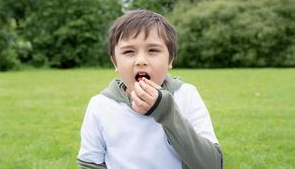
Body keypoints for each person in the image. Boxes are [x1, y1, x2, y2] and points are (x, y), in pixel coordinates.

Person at [77, 9, 223, 169]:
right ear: (115, 62)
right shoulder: (100, 105)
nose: (141, 60)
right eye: (128, 52)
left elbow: (212, 164)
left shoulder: (186, 95)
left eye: (153, 50)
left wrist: (165, 110)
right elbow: (90, 163)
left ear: (170, 59)